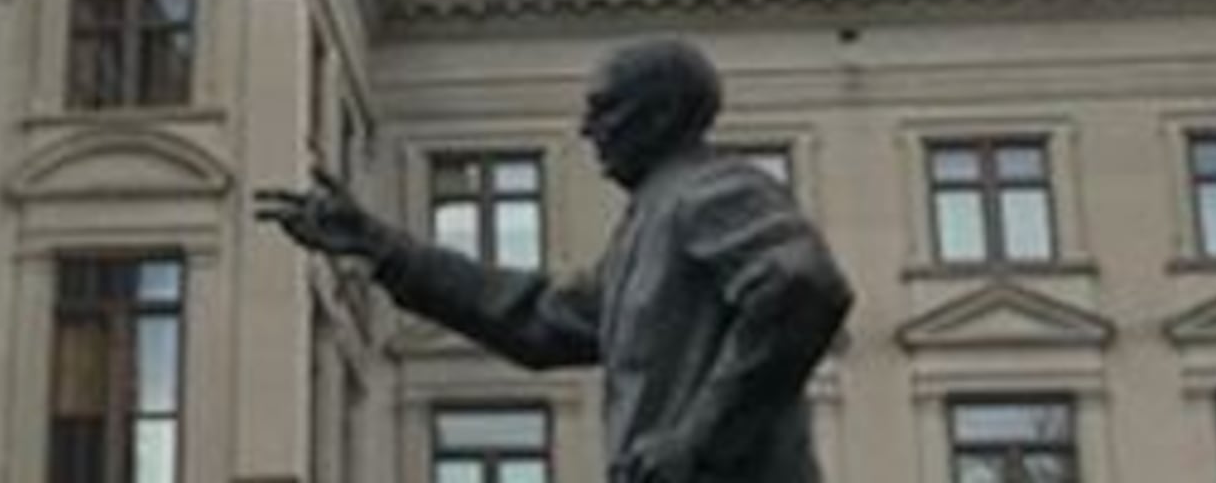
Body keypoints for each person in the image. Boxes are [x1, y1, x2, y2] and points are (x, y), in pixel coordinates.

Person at [256, 38, 852, 483]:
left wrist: (697, 439)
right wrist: (382, 247)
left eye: (604, 108)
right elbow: (537, 318)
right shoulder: (648, 226)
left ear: (662, 115)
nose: (586, 129)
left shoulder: (714, 190)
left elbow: (805, 287)